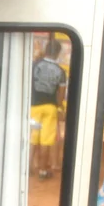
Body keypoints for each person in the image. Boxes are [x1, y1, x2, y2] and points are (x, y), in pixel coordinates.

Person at [30, 40, 67, 180]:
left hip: (34, 107)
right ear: (57, 53)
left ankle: (27, 167)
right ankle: (42, 171)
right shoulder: (60, 71)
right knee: (46, 140)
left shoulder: (35, 65)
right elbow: (62, 94)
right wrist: (59, 107)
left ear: (46, 50)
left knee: (33, 137)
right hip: (50, 108)